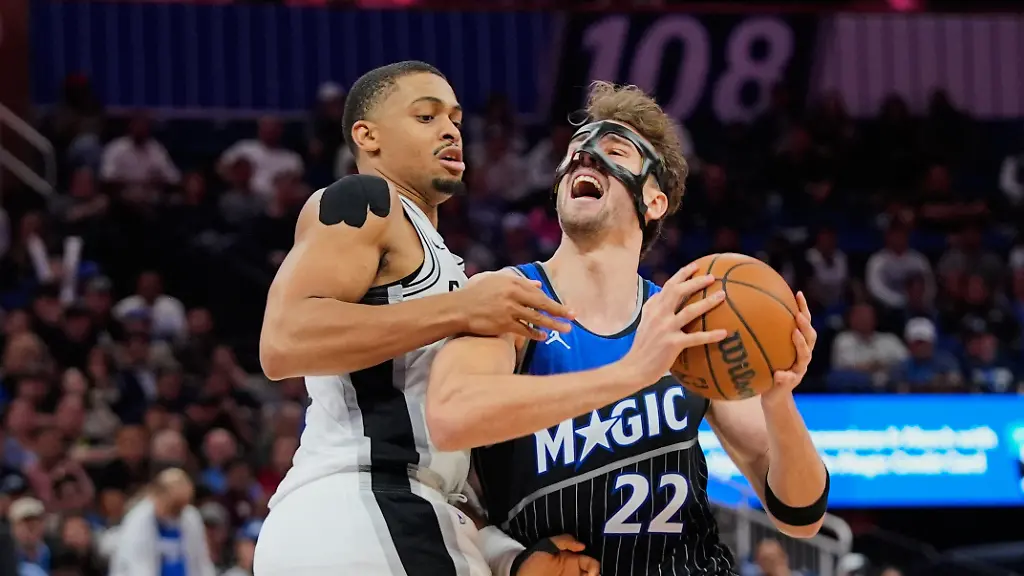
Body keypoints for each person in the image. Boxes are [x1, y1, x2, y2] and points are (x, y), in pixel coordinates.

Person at [427, 81, 830, 575]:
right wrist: (632, 372)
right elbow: (449, 415)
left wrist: (778, 397)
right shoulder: (511, 294)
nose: (585, 160)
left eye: (613, 151)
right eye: (576, 152)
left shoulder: (687, 318)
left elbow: (800, 514)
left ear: (654, 200)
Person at [254, 61, 587, 576]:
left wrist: (506, 553)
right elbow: (283, 341)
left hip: (402, 513)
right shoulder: (366, 198)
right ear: (368, 136)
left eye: (454, 118)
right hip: (365, 502)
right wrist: (463, 307)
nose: (451, 129)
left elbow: (439, 459)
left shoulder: (439, 257)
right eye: (426, 116)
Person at [109, 467, 214, 576]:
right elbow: (138, 568)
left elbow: (202, 563)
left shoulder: (190, 516)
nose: (177, 512)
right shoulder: (137, 521)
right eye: (174, 507)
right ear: (158, 496)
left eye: (181, 506)